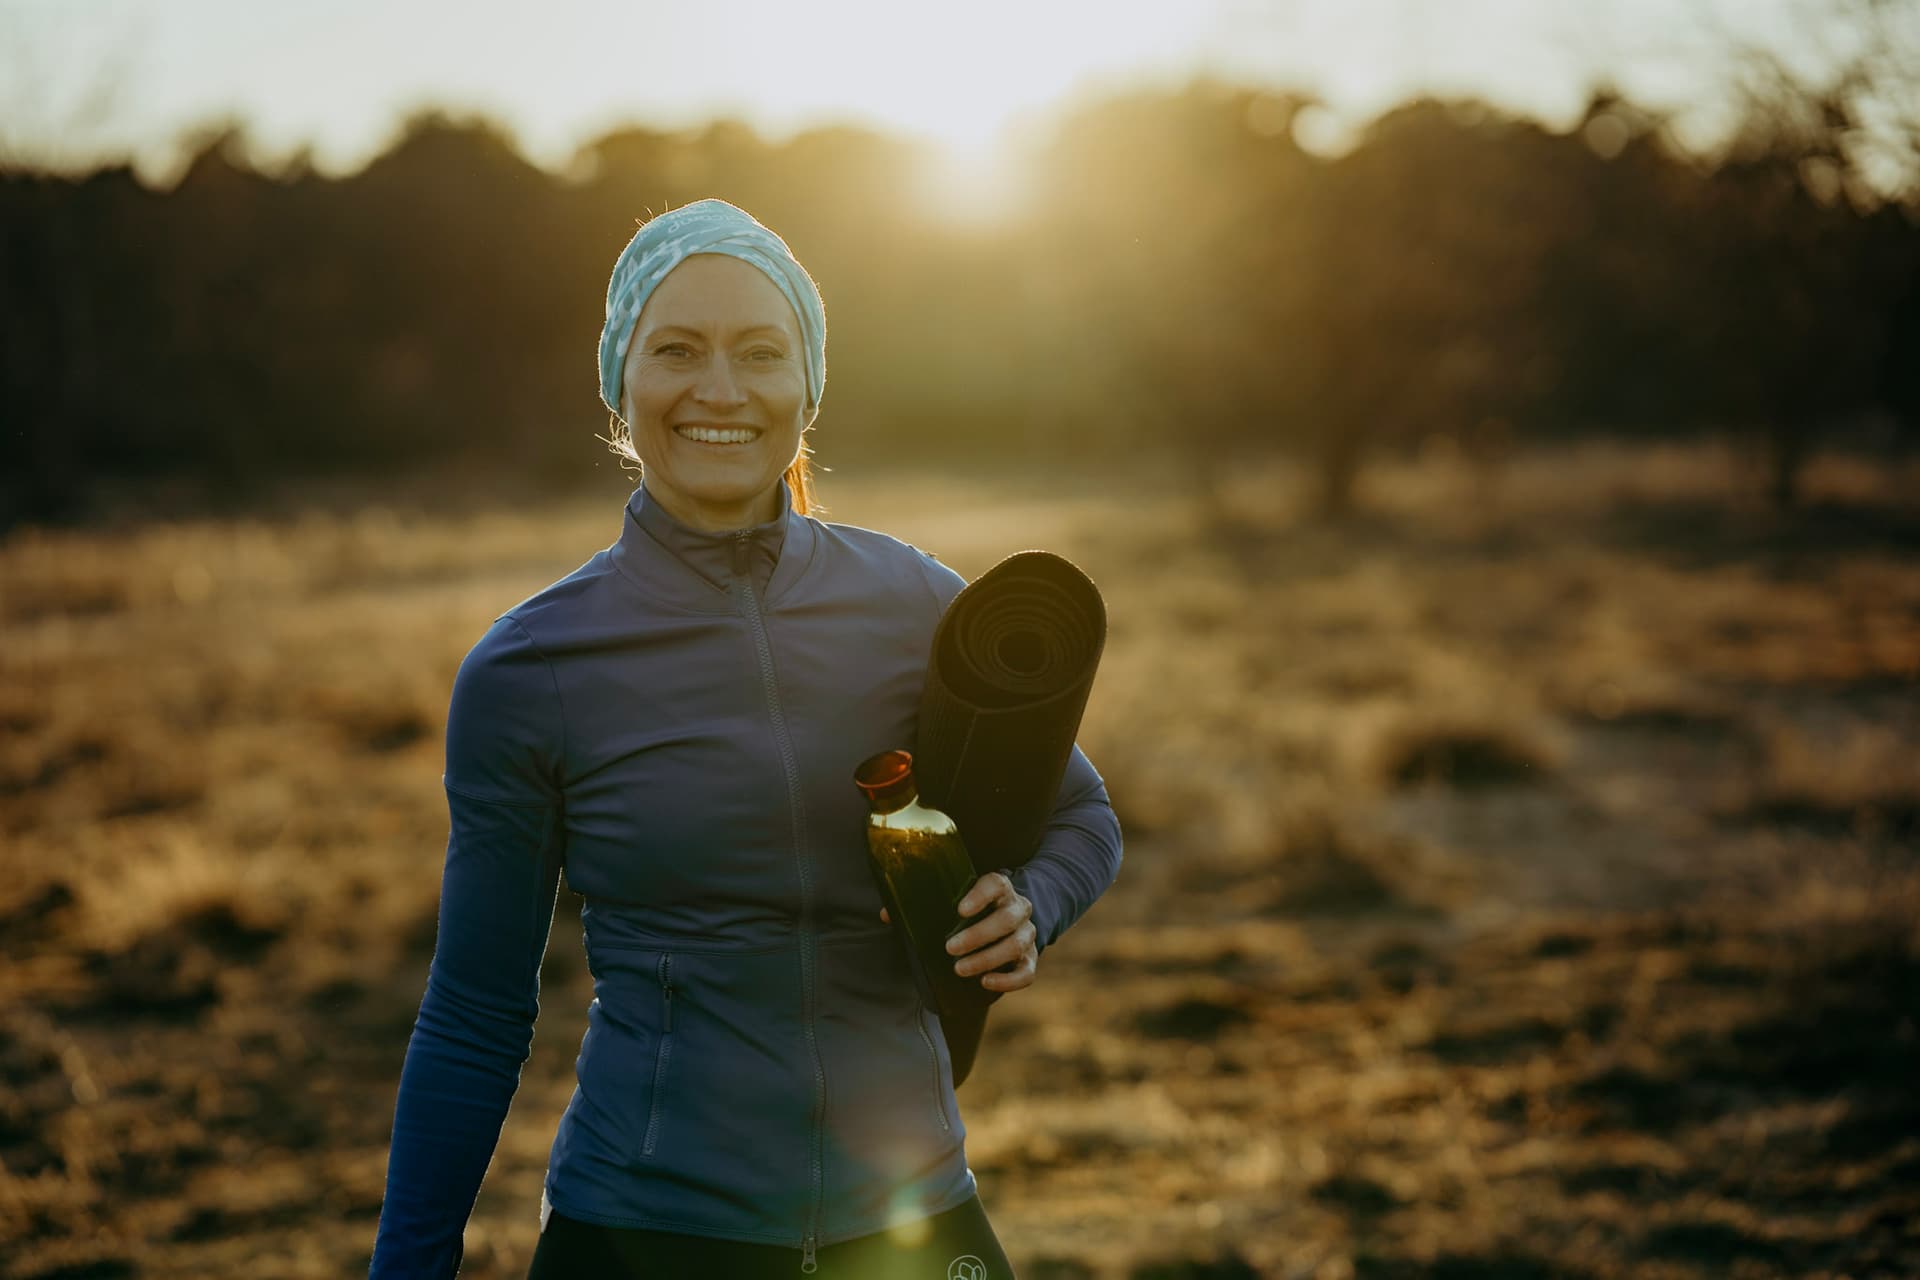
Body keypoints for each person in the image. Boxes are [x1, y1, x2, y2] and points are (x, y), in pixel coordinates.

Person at [366, 199, 1124, 1280]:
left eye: (761, 353)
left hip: (909, 1221)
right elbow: (476, 1012)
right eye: (677, 349)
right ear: (618, 384)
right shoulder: (532, 667)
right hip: (646, 1231)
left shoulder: (916, 606)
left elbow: (1082, 813)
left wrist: (1030, 905)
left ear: (807, 387)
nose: (721, 389)